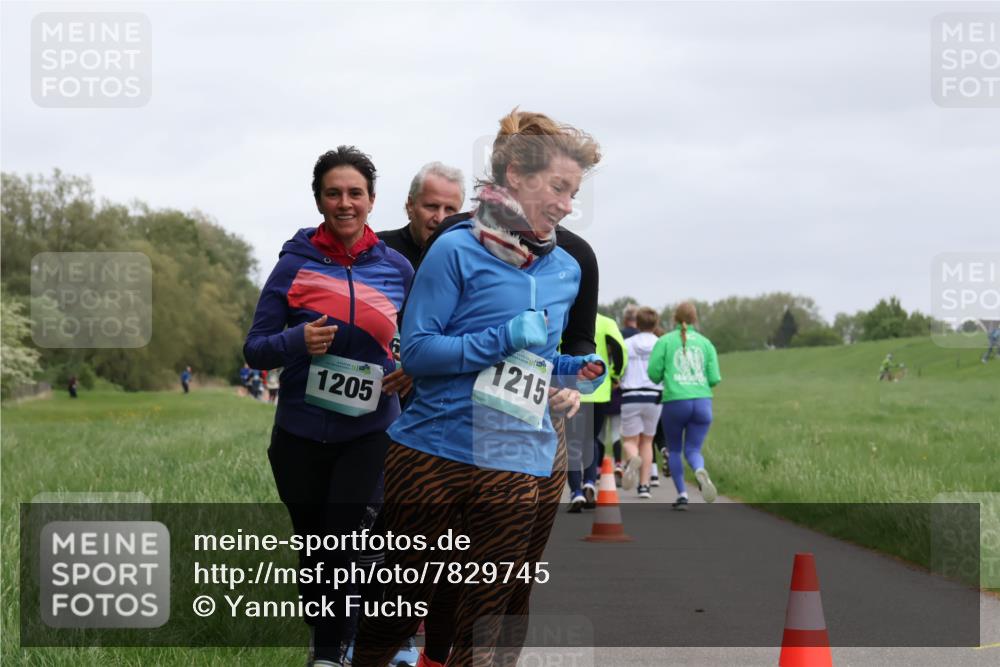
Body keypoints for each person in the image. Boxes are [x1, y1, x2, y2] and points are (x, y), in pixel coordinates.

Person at [352, 109, 605, 667]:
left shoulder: (567, 267)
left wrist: (574, 371)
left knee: (491, 612)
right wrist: (502, 337)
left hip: (518, 456)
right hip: (434, 452)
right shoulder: (456, 248)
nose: (568, 205)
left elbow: (540, 360)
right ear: (515, 176)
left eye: (573, 192)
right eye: (558, 188)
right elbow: (419, 352)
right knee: (398, 605)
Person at [243, 145, 414, 667]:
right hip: (299, 433)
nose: (345, 203)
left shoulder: (397, 269)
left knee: (343, 544)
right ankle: (332, 628)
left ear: (372, 200)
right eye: (333, 193)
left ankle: (329, 655)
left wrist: (411, 368)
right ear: (319, 200)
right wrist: (297, 341)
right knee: (316, 551)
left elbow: (419, 340)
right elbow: (255, 349)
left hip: (368, 431)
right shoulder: (294, 264)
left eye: (355, 193)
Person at [648, 302, 721, 511]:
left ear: (674, 318)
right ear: (695, 319)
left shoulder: (664, 341)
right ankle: (699, 469)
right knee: (693, 450)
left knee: (674, 450)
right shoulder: (706, 343)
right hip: (702, 402)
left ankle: (682, 495)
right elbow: (714, 378)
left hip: (675, 402)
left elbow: (653, 374)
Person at [567, 312, 625, 511]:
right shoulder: (607, 323)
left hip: (571, 389)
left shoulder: (568, 317)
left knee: (572, 442)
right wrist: (615, 374)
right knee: (591, 439)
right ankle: (590, 482)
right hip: (598, 390)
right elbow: (620, 349)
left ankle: (576, 492)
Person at [378, 162, 465, 270]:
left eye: (449, 209)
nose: (440, 218)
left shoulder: (468, 259)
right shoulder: (376, 250)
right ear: (410, 204)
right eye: (432, 206)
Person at [619, 307, 663, 499]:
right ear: (655, 324)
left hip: (631, 395)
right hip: (654, 396)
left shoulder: (627, 343)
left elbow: (619, 367)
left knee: (630, 440)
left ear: (637, 323)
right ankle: (644, 486)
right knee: (647, 441)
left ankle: (632, 459)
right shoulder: (660, 344)